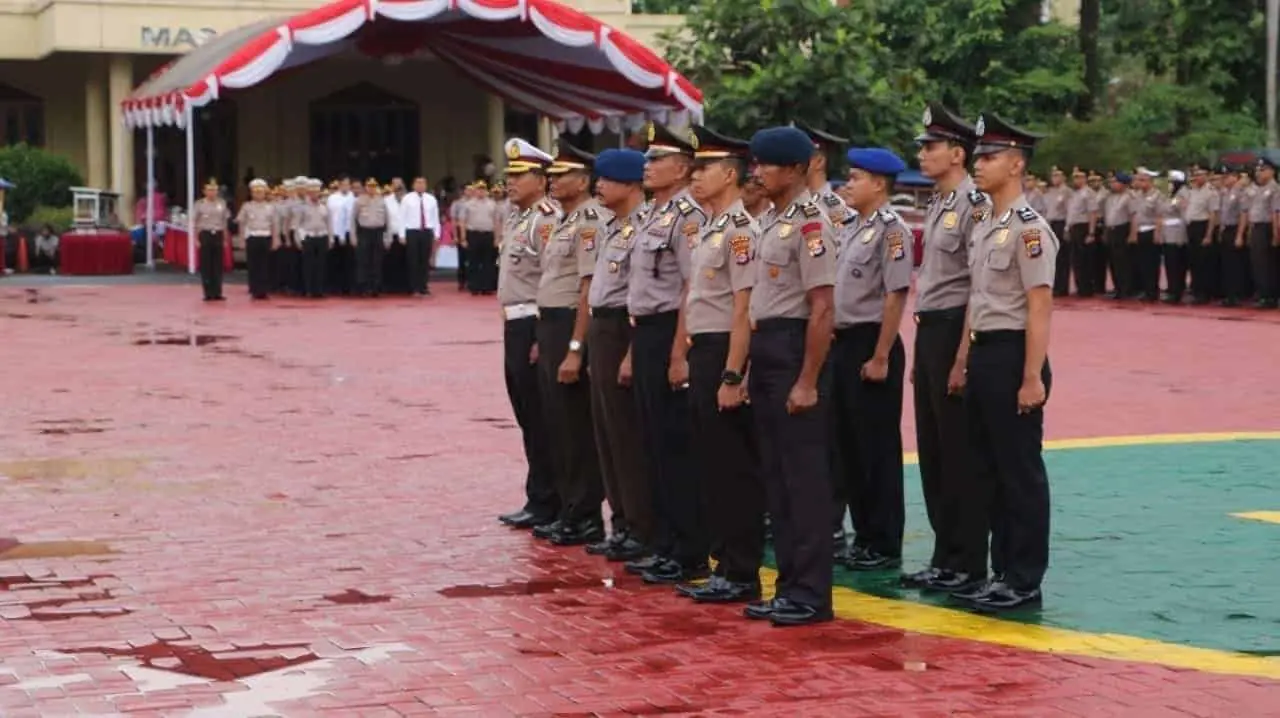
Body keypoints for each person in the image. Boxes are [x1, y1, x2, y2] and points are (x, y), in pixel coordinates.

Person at [955, 113, 1056, 611]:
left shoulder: (1029, 229)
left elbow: (1039, 305)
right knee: (989, 470)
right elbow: (977, 299)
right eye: (977, 157)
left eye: (990, 157)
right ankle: (1001, 572)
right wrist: (962, 360)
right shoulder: (987, 227)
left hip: (1015, 354)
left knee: (1019, 472)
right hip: (985, 352)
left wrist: (1032, 376)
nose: (979, 165)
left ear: (1016, 165)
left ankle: (1024, 578)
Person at [742, 126, 837, 627]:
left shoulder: (811, 224)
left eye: (768, 165)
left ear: (797, 170)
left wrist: (807, 379)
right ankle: (788, 586)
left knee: (803, 480)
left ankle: (812, 593)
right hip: (767, 347)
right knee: (776, 478)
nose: (758, 172)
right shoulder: (771, 221)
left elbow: (823, 309)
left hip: (793, 347)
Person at [675, 125, 765, 604]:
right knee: (712, 464)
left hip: (722, 351)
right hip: (703, 349)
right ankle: (724, 562)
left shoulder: (740, 232)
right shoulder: (711, 227)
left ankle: (742, 569)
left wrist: (733, 374)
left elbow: (742, 307)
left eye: (705, 168)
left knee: (733, 466)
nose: (695, 176)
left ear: (730, 174)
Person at [903, 104, 987, 592]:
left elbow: (978, 285)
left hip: (957, 327)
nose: (924, 154)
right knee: (934, 451)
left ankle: (969, 561)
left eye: (931, 147)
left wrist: (962, 355)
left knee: (960, 454)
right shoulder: (938, 202)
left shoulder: (974, 205)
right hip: (932, 328)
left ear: (957, 153)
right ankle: (944, 555)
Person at [624, 122, 709, 585]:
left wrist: (680, 351)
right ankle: (664, 543)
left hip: (670, 331)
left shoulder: (687, 217)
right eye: (648, 158)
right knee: (652, 443)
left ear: (681, 168)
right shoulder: (649, 215)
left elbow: (689, 288)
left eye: (657, 159)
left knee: (676, 446)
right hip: (645, 332)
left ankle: (688, 548)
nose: (648, 165)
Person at [832, 147, 912, 572]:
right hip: (843, 343)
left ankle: (883, 540)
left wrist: (881, 354)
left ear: (878, 185)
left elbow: (895, 294)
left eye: (856, 178)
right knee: (849, 446)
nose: (848, 184)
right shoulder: (849, 226)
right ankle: (863, 535)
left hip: (871, 342)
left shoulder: (892, 230)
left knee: (876, 447)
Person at [536, 142, 608, 546]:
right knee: (558, 426)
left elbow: (587, 288)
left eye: (562, 175)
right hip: (550, 325)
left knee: (576, 427)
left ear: (582, 182)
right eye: (552, 175)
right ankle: (569, 507)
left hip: (570, 325)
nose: (553, 181)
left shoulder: (589, 222)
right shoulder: (565, 219)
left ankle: (585, 514)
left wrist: (576, 347)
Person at [583, 149, 653, 562]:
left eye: (607, 179)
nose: (600, 186)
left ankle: (641, 526)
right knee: (607, 432)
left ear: (630, 185)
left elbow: (639, 295)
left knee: (627, 436)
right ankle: (622, 521)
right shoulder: (613, 226)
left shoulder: (643, 226)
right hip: (601, 326)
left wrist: (628, 352)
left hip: (623, 329)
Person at [495, 138, 562, 532]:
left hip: (535, 323)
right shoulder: (519, 218)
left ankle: (549, 499)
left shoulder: (546, 219)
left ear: (541, 179)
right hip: (514, 323)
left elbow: (551, 280)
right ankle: (538, 496)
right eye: (509, 176)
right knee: (527, 415)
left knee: (542, 416)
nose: (511, 182)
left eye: (520, 176)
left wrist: (541, 335)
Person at [1245, 157, 1278, 309]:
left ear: (1272, 171)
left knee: (1269, 264)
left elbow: (1276, 213)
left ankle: (1270, 296)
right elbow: (1252, 213)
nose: (1259, 173)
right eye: (1257, 170)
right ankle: (1263, 293)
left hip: (1268, 228)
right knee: (1258, 264)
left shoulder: (1275, 189)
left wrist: (1276, 234)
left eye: (1262, 170)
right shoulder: (1257, 189)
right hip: (1257, 228)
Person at [237, 178, 277, 300]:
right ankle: (254, 290)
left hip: (265, 236)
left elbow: (274, 224)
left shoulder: (271, 207)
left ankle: (264, 290)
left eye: (261, 192)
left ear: (265, 192)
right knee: (253, 264)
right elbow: (242, 223)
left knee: (266, 265)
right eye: (256, 192)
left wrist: (275, 239)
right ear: (252, 193)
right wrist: (241, 239)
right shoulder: (247, 206)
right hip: (252, 237)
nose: (258, 194)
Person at [192, 178, 230, 301]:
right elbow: (195, 222)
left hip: (218, 233)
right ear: (204, 191)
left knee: (217, 265)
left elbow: (224, 222)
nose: (212, 192)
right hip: (205, 234)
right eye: (209, 190)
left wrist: (225, 239)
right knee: (206, 264)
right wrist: (196, 239)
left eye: (214, 190)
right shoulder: (199, 204)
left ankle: (217, 291)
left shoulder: (222, 203)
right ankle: (208, 292)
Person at [401, 177, 440, 296]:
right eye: (418, 183)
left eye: (423, 183)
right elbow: (402, 217)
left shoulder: (431, 199)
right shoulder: (407, 198)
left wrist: (436, 233)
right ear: (413, 185)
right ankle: (414, 287)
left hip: (426, 230)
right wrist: (402, 234)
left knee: (424, 259)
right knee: (413, 260)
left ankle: (423, 286)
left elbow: (435, 217)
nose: (420, 185)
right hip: (412, 231)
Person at [297, 178, 332, 299]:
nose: (315, 194)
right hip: (308, 237)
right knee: (308, 265)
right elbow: (298, 224)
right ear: (308, 193)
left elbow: (329, 223)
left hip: (322, 236)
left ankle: (319, 289)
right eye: (312, 192)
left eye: (317, 192)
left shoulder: (324, 206)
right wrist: (300, 239)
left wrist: (330, 238)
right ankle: (308, 289)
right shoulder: (302, 207)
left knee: (321, 264)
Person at [326, 176, 356, 295]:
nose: (345, 186)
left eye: (347, 184)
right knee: (334, 260)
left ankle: (348, 287)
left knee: (349, 261)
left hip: (349, 233)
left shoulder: (353, 198)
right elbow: (329, 216)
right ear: (339, 185)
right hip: (335, 232)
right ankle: (334, 286)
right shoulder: (332, 198)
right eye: (343, 184)